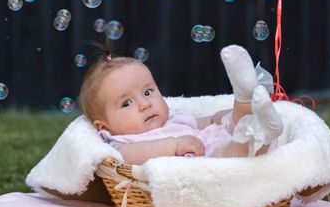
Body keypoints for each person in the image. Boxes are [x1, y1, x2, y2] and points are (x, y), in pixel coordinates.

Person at [79, 44, 283, 164]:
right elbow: (128, 157)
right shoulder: (122, 143)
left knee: (233, 123)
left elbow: (197, 123)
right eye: (127, 103)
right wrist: (173, 146)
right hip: (206, 165)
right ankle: (252, 131)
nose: (144, 104)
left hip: (211, 144)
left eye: (148, 92)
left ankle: (245, 102)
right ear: (103, 125)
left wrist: (217, 118)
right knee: (231, 154)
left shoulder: (172, 118)